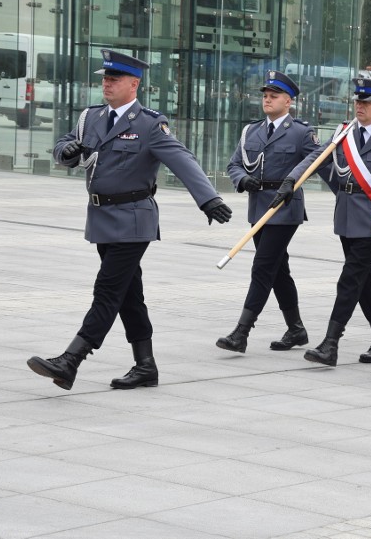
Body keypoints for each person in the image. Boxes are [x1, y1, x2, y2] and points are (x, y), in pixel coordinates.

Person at [26, 49, 232, 390]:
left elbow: (182, 159)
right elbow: (66, 144)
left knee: (107, 290)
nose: (107, 84)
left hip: (134, 220)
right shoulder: (90, 117)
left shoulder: (150, 124)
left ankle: (70, 360)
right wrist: (65, 152)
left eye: (114, 79)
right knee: (127, 294)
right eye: (105, 78)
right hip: (101, 219)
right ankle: (145, 365)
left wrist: (208, 199)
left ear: (134, 84)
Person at [273, 78, 371, 367]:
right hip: (347, 215)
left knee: (350, 278)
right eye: (357, 102)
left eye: (366, 102)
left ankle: (331, 342)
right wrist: (292, 180)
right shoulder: (343, 134)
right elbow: (316, 157)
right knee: (364, 278)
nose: (359, 107)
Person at [216, 70, 319, 354]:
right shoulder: (252, 130)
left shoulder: (300, 132)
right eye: (265, 95)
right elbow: (234, 164)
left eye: (274, 96)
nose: (267, 99)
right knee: (277, 270)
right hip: (258, 206)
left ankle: (241, 332)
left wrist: (291, 180)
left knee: (262, 267)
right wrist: (242, 179)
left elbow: (316, 158)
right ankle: (296, 329)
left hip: (285, 208)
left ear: (288, 102)